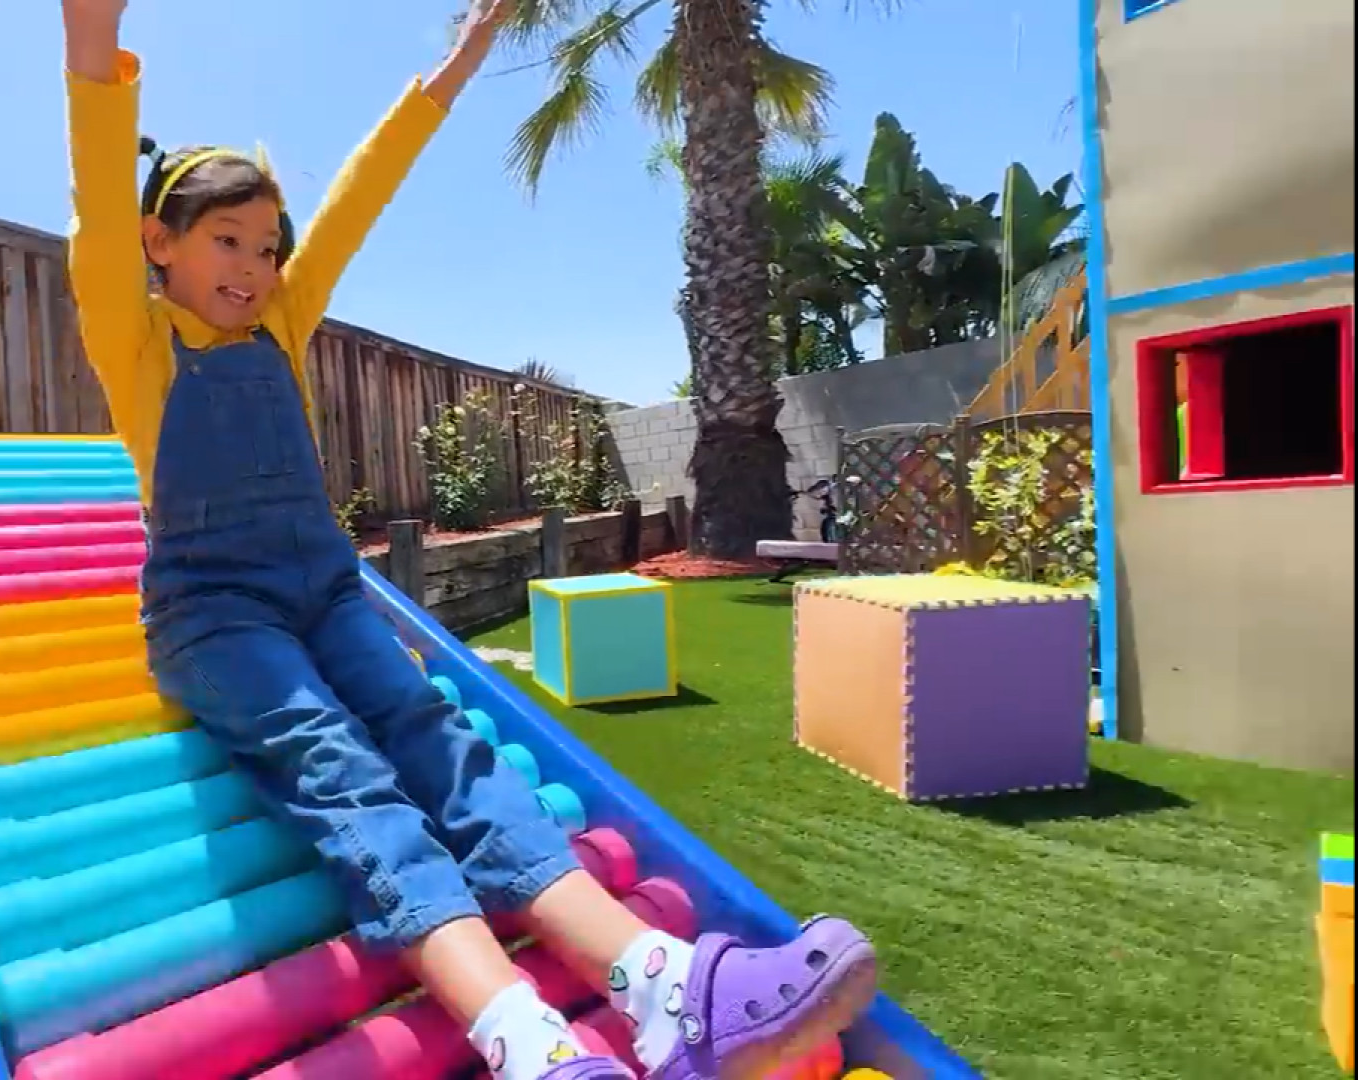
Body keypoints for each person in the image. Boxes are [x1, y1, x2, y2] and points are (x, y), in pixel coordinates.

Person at [59, 2, 880, 1076]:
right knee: (338, 760)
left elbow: (364, 190)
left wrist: (458, 65)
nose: (254, 267)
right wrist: (92, 43)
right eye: (226, 242)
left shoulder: (282, 325)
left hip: (324, 589)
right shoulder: (135, 342)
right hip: (213, 613)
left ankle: (663, 983)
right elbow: (95, 206)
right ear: (156, 244)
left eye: (267, 247)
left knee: (434, 730)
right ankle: (526, 1041)